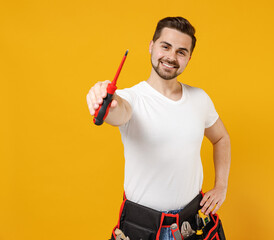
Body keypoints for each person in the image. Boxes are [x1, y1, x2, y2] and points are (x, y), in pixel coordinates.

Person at [86, 16, 231, 240]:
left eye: (181, 52)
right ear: (152, 46)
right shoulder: (130, 98)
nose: (171, 57)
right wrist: (103, 98)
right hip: (143, 229)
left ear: (189, 58)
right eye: (166, 46)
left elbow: (221, 138)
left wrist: (221, 186)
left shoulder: (199, 98)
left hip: (192, 225)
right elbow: (117, 111)